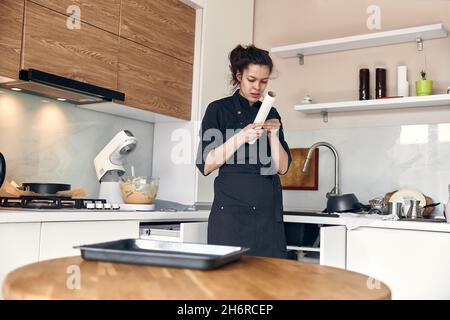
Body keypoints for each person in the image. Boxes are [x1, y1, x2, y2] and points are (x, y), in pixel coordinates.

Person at [196, 44, 292, 259]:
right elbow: (206, 164)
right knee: (230, 286)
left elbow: (283, 168)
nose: (258, 87)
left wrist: (273, 135)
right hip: (231, 219)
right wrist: (240, 137)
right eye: (252, 79)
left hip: (268, 217)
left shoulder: (271, 112)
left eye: (264, 81)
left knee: (269, 286)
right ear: (239, 75)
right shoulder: (218, 110)